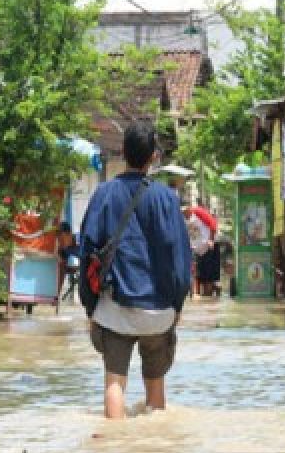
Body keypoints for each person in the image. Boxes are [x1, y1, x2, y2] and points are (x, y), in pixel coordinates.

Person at [80, 125, 191, 420]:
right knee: (155, 391)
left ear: (122, 153)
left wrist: (89, 306)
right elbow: (180, 257)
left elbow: (87, 252)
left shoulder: (103, 195)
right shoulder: (167, 199)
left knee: (114, 383)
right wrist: (177, 305)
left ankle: (116, 451)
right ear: (154, 157)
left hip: (115, 310)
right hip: (158, 313)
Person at [56, 221, 80, 300]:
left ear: (70, 234)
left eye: (62, 239)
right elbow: (61, 271)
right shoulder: (64, 250)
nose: (60, 243)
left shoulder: (82, 239)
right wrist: (57, 294)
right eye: (59, 240)